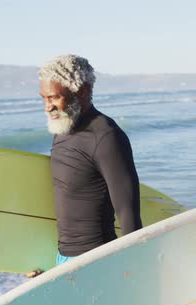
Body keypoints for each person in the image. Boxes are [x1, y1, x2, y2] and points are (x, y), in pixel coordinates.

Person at [30, 54, 142, 276]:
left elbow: (128, 212)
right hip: (63, 258)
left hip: (95, 260)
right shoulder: (62, 128)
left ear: (81, 91)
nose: (47, 107)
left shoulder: (106, 136)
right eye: (43, 98)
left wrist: (133, 269)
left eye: (53, 98)